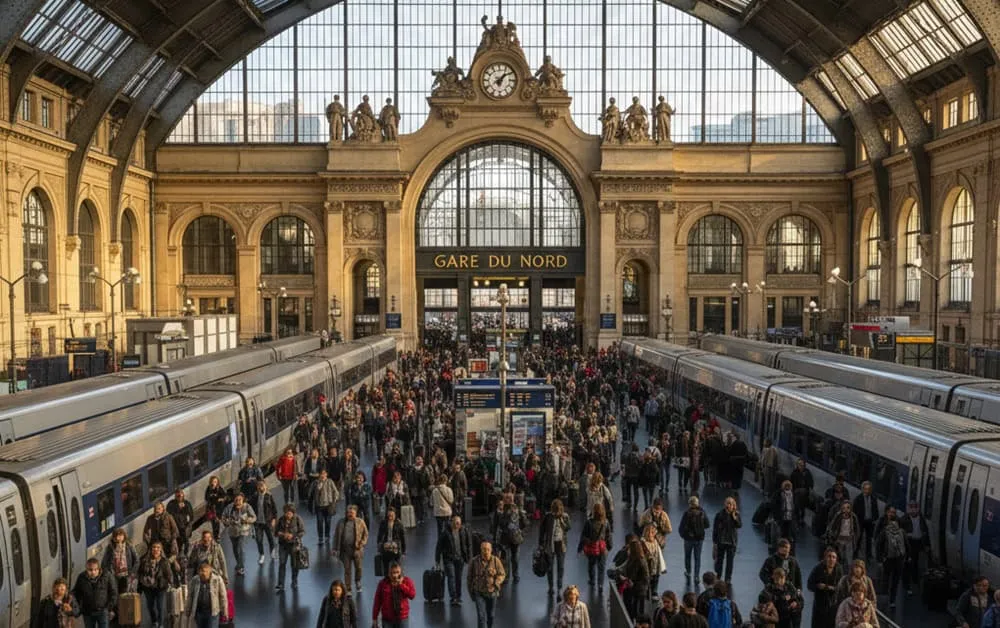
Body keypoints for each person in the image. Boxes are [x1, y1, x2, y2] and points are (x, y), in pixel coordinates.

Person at [435, 514, 473, 606]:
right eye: (456, 523)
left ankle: (458, 596)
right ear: (452, 522)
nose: (457, 525)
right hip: (449, 559)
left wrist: (469, 557)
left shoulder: (464, 531)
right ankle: (453, 597)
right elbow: (439, 546)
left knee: (458, 578)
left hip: (460, 559)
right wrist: (437, 560)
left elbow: (469, 544)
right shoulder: (445, 532)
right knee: (451, 577)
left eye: (459, 523)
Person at [468, 541, 506, 628]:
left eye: (488, 549)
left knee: (491, 615)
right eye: (484, 549)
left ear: (491, 550)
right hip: (479, 592)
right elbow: (469, 578)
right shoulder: (474, 561)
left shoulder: (496, 561)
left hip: (492, 593)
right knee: (481, 617)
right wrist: (471, 592)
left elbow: (502, 574)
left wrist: (497, 581)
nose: (486, 552)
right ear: (481, 550)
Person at [874, 506, 906, 609]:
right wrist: (906, 557)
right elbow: (906, 545)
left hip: (888, 558)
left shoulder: (885, 531)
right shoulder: (901, 531)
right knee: (894, 580)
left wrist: (879, 558)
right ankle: (892, 600)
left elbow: (878, 543)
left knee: (886, 578)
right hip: (898, 559)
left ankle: (885, 599)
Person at [333, 504, 369, 594]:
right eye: (348, 512)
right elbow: (336, 536)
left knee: (358, 568)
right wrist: (335, 548)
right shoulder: (341, 522)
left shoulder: (360, 522)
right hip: (345, 550)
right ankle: (348, 588)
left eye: (352, 513)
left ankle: (358, 581)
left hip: (357, 550)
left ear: (356, 513)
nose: (350, 514)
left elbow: (366, 534)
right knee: (347, 570)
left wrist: (362, 543)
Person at [136, 541, 172, 628]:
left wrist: (170, 584)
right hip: (147, 587)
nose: (156, 549)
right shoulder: (144, 560)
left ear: (161, 550)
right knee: (150, 606)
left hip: (160, 587)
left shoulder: (164, 562)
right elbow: (140, 573)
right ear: (151, 549)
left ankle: (161, 624)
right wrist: (140, 586)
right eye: (154, 547)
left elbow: (168, 574)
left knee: (160, 606)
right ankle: (154, 620)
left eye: (158, 548)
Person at [539, 498, 571, 598]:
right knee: (550, 567)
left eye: (558, 511)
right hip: (550, 545)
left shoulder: (565, 516)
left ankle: (559, 588)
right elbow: (542, 530)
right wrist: (540, 544)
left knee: (560, 567)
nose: (556, 513)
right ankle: (551, 587)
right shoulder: (548, 516)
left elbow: (568, 528)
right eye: (555, 511)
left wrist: (562, 522)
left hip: (561, 545)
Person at [73, 558, 117, 628]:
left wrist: (109, 608)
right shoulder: (81, 577)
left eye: (95, 569)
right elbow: (76, 592)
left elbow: (113, 592)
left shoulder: (107, 576)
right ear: (86, 569)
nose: (93, 572)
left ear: (99, 569)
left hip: (103, 611)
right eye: (90, 570)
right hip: (87, 612)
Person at [578, 503, 613, 592]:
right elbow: (608, 535)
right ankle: (600, 584)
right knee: (601, 567)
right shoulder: (606, 522)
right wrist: (609, 546)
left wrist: (580, 548)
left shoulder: (589, 522)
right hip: (602, 548)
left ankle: (592, 580)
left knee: (591, 564)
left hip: (592, 547)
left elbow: (583, 535)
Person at [220, 492, 256, 577]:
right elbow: (223, 517)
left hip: (243, 531)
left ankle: (241, 567)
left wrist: (247, 520)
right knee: (235, 549)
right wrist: (227, 522)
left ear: (243, 500)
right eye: (236, 500)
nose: (238, 501)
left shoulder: (247, 507)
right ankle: (238, 563)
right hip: (233, 531)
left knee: (241, 548)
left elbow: (254, 517)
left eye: (240, 500)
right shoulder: (229, 507)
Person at [806, 548, 843, 628]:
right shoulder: (818, 568)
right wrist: (817, 586)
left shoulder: (839, 569)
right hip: (820, 604)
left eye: (834, 557)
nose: (831, 559)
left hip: (833, 605)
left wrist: (830, 588)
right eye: (829, 556)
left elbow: (841, 587)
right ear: (825, 558)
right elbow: (809, 585)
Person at [493, 497, 527, 583]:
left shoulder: (506, 511)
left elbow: (500, 524)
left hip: (508, 537)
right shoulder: (515, 510)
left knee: (509, 557)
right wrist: (520, 531)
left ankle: (510, 576)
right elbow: (525, 523)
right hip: (511, 537)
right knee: (511, 558)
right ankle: (512, 576)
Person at [371, 562, 416, 628]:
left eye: (397, 572)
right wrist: (374, 618)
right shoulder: (383, 584)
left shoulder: (407, 581)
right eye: (392, 573)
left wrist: (401, 585)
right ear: (389, 573)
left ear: (401, 572)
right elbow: (377, 602)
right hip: (387, 619)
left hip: (402, 618)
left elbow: (412, 595)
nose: (395, 575)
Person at [184, 562, 227, 628]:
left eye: (205, 571)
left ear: (209, 571)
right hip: (199, 612)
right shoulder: (195, 580)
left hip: (212, 613)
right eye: (201, 571)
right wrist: (188, 610)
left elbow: (223, 596)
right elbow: (190, 596)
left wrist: (225, 611)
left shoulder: (217, 580)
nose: (203, 573)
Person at [899, 501, 930, 595]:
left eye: (915, 508)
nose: (913, 510)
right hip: (908, 543)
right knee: (907, 563)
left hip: (918, 543)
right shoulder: (904, 519)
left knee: (916, 563)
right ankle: (906, 584)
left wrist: (927, 545)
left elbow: (925, 532)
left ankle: (915, 582)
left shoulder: (921, 519)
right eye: (911, 508)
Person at [275, 503, 306, 592]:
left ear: (293, 513)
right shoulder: (281, 520)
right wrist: (282, 534)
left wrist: (293, 535)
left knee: (294, 564)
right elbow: (276, 532)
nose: (287, 515)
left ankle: (294, 580)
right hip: (283, 545)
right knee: (282, 563)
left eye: (289, 513)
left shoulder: (297, 519)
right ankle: (281, 584)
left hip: (294, 545)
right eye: (286, 513)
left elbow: (302, 531)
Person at [679, 495, 710, 579]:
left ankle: (688, 572)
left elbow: (681, 527)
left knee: (687, 556)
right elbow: (707, 525)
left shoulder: (687, 513)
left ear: (689, 504)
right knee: (697, 558)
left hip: (688, 539)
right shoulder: (702, 512)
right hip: (699, 539)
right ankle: (696, 576)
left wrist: (683, 536)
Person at [100, 528, 138, 595]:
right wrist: (109, 574)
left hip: (126, 575)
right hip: (114, 576)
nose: (119, 538)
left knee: (124, 595)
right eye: (117, 536)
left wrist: (132, 572)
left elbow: (136, 560)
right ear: (114, 538)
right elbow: (104, 563)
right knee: (115, 595)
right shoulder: (110, 547)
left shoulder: (129, 546)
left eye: (121, 535)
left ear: (124, 536)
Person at [712, 496, 741, 583]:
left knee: (730, 562)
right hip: (721, 541)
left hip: (731, 542)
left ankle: (728, 578)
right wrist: (714, 542)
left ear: (733, 505)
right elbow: (715, 529)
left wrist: (734, 517)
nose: (728, 505)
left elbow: (739, 525)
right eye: (727, 503)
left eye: (730, 504)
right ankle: (718, 575)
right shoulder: (719, 515)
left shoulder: (736, 515)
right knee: (719, 560)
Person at [621, 538, 651, 619]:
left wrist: (626, 578)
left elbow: (635, 575)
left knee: (637, 611)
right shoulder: (635, 559)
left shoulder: (638, 560)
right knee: (635, 610)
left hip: (638, 590)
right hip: (637, 589)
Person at [252, 480, 278, 565]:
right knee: (259, 540)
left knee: (270, 538)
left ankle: (272, 551)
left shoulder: (269, 496)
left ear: (265, 487)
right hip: (258, 523)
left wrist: (274, 519)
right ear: (257, 487)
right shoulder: (255, 496)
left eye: (262, 486)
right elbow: (251, 508)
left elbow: (274, 509)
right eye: (259, 486)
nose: (261, 488)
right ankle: (262, 555)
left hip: (268, 521)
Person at [852, 482, 879, 562]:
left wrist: (874, 518)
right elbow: (854, 511)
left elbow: (875, 510)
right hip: (861, 521)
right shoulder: (858, 499)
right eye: (865, 489)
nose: (867, 491)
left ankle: (868, 555)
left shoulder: (873, 499)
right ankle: (855, 553)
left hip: (869, 522)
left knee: (869, 539)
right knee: (858, 538)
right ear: (862, 489)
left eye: (869, 489)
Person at [311, 468, 341, 543]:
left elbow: (335, 492)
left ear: (326, 474)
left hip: (328, 505)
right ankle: (320, 537)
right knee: (320, 522)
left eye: (324, 473)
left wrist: (334, 501)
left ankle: (327, 536)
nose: (322, 475)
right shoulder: (316, 483)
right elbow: (311, 493)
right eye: (321, 474)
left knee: (328, 521)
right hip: (319, 506)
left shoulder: (330, 482)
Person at [377, 507, 407, 575]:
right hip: (386, 547)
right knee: (386, 568)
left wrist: (404, 551)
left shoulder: (399, 524)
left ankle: (398, 580)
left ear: (395, 515)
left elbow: (403, 538)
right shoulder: (383, 523)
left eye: (392, 516)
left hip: (396, 548)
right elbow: (380, 536)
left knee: (398, 567)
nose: (390, 517)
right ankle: (387, 580)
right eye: (389, 516)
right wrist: (379, 547)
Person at [167, 489, 195, 558]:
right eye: (178, 495)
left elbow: (191, 515)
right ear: (175, 495)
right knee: (178, 544)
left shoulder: (187, 503)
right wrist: (178, 507)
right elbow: (169, 515)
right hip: (175, 528)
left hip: (185, 527)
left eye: (181, 494)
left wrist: (189, 525)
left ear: (183, 495)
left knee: (186, 543)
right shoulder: (171, 504)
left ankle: (186, 555)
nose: (179, 496)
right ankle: (178, 556)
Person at [204, 476, 227, 541]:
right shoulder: (209, 488)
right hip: (211, 509)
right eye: (212, 481)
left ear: (217, 482)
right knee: (213, 523)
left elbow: (224, 496)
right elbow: (206, 498)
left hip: (218, 509)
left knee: (217, 522)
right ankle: (215, 535)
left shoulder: (219, 489)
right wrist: (210, 497)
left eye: (215, 482)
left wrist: (220, 499)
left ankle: (217, 535)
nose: (213, 483)